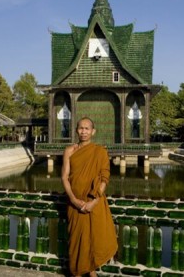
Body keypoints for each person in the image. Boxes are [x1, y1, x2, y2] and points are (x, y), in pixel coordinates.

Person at [61, 117, 118, 277]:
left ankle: (91, 271)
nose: (83, 131)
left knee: (93, 241)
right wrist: (73, 199)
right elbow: (65, 177)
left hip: (94, 202)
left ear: (93, 132)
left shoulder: (100, 152)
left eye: (87, 128)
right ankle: (78, 272)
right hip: (75, 204)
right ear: (76, 130)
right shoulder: (69, 151)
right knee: (77, 243)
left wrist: (93, 202)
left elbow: (104, 177)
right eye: (81, 128)